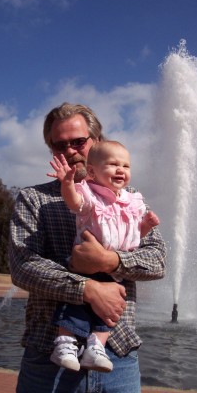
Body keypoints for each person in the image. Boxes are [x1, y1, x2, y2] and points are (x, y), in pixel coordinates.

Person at [9, 102, 166, 393]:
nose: (70, 150)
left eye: (78, 141)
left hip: (117, 354)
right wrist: (89, 289)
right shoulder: (34, 199)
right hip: (48, 354)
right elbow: (23, 266)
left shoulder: (131, 199)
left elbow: (157, 260)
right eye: (59, 144)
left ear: (95, 140)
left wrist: (110, 261)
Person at [47, 141, 160, 373]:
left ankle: (96, 347)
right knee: (75, 302)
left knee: (112, 307)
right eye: (112, 164)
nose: (121, 170)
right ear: (92, 172)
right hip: (85, 263)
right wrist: (67, 184)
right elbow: (75, 203)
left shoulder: (132, 201)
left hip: (114, 266)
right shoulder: (89, 193)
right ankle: (65, 344)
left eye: (126, 166)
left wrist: (145, 227)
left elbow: (132, 237)